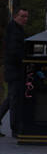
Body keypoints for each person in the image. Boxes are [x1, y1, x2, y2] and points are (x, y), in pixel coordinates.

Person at [0, 8, 28, 137]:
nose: (25, 19)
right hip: (14, 70)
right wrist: (23, 60)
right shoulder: (14, 30)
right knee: (14, 100)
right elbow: (14, 51)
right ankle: (15, 129)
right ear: (16, 16)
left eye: (26, 17)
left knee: (10, 98)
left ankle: (15, 127)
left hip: (13, 69)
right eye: (22, 16)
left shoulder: (16, 29)